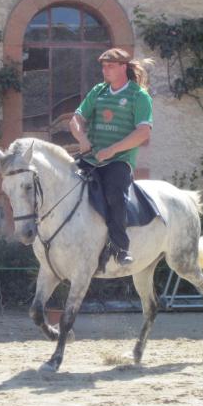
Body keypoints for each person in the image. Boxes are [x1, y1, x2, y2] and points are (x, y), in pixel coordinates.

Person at [69, 48, 153, 266]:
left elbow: (143, 133)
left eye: (110, 66)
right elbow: (76, 118)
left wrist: (114, 149)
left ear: (123, 67)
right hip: (90, 158)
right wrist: (81, 138)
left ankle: (120, 247)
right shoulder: (99, 91)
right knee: (65, 183)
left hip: (119, 161)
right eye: (103, 66)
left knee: (115, 194)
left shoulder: (139, 96)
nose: (105, 70)